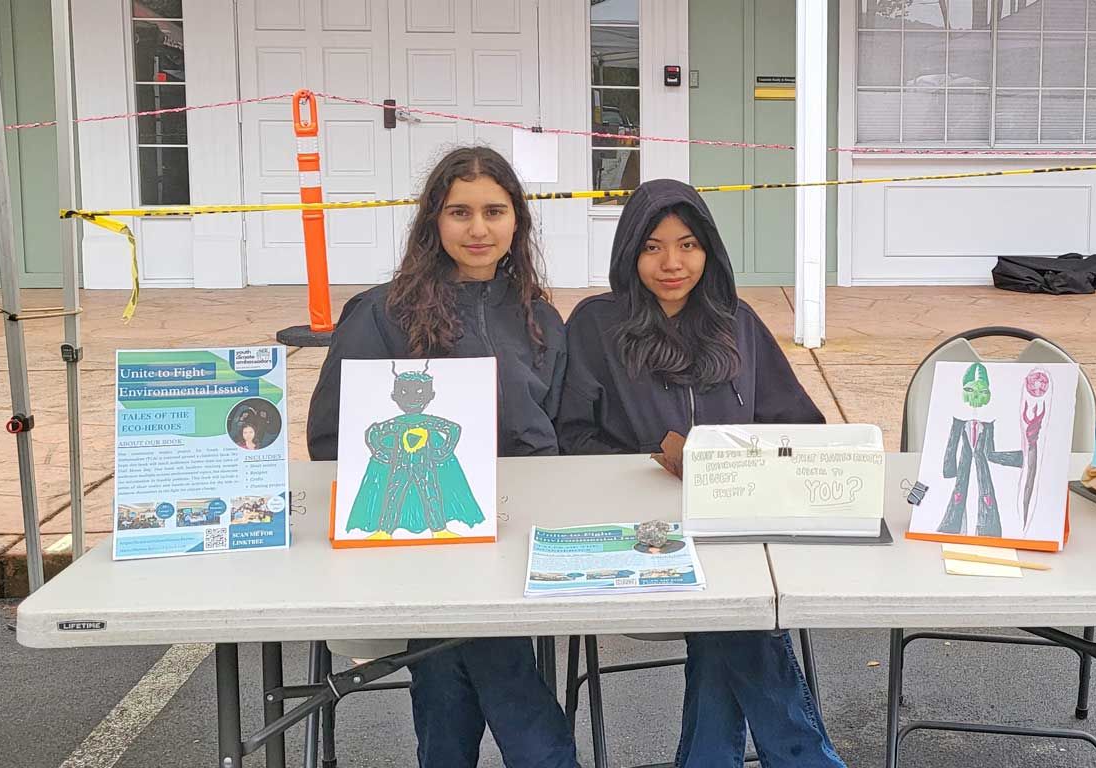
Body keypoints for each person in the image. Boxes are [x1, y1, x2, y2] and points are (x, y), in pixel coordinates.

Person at [557, 179, 846, 768]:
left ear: (708, 250)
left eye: (687, 245)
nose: (672, 263)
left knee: (730, 612)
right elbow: (569, 435)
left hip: (731, 523)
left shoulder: (734, 320)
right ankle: (805, 758)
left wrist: (739, 461)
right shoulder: (596, 324)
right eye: (652, 247)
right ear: (628, 252)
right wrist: (652, 461)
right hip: (636, 529)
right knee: (738, 618)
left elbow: (796, 423)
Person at [306, 145, 577, 768]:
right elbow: (332, 436)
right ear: (433, 220)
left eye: (494, 211)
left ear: (518, 221)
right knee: (486, 649)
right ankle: (549, 757)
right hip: (419, 528)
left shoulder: (541, 317)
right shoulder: (381, 312)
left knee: (451, 658)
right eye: (459, 212)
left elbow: (559, 432)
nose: (478, 229)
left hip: (525, 533)